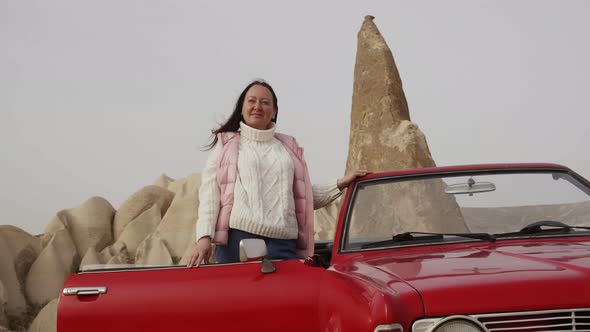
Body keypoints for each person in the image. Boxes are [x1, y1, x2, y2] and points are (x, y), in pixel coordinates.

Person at [187, 80, 367, 267]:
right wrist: (204, 237)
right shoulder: (226, 144)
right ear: (242, 108)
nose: (257, 106)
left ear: (273, 112)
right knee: (240, 297)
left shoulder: (288, 148)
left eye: (265, 102)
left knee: (287, 296)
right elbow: (210, 194)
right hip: (238, 242)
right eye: (252, 101)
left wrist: (340, 183)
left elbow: (302, 197)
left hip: (283, 244)